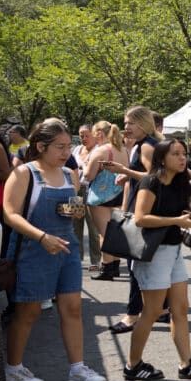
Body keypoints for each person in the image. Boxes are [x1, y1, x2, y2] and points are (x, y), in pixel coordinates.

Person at [1, 119, 107, 381]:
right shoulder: (24, 173)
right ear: (41, 146)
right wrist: (41, 236)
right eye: (59, 147)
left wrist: (76, 211)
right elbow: (10, 214)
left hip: (67, 248)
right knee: (29, 311)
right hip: (33, 248)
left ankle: (77, 368)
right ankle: (13, 369)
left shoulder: (70, 175)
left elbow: (74, 210)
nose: (66, 152)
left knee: (73, 308)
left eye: (67, 146)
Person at [124, 140, 191, 381]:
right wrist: (177, 220)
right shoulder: (150, 181)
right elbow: (141, 218)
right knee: (152, 311)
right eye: (175, 154)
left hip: (173, 251)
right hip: (154, 253)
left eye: (184, 154)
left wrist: (189, 172)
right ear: (161, 158)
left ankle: (186, 364)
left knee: (180, 309)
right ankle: (133, 365)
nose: (182, 158)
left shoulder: (180, 182)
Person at [100, 106, 163, 333]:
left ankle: (132, 315)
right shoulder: (149, 144)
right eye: (125, 123)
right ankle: (161, 309)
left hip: (144, 210)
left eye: (130, 123)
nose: (126, 127)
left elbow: (154, 177)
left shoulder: (146, 145)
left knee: (135, 264)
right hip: (146, 209)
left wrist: (125, 171)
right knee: (145, 263)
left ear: (143, 123)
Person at [85, 121, 126, 281]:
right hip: (119, 193)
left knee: (105, 233)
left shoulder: (100, 151)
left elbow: (89, 175)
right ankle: (115, 265)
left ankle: (107, 268)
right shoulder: (123, 150)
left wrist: (86, 166)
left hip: (100, 196)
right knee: (113, 232)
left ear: (99, 133)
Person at [71, 124, 101, 274]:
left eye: (86, 135)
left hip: (91, 190)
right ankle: (76, 258)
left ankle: (96, 260)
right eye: (81, 135)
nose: (83, 138)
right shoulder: (76, 150)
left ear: (94, 135)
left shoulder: (98, 150)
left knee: (93, 227)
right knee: (75, 225)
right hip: (76, 190)